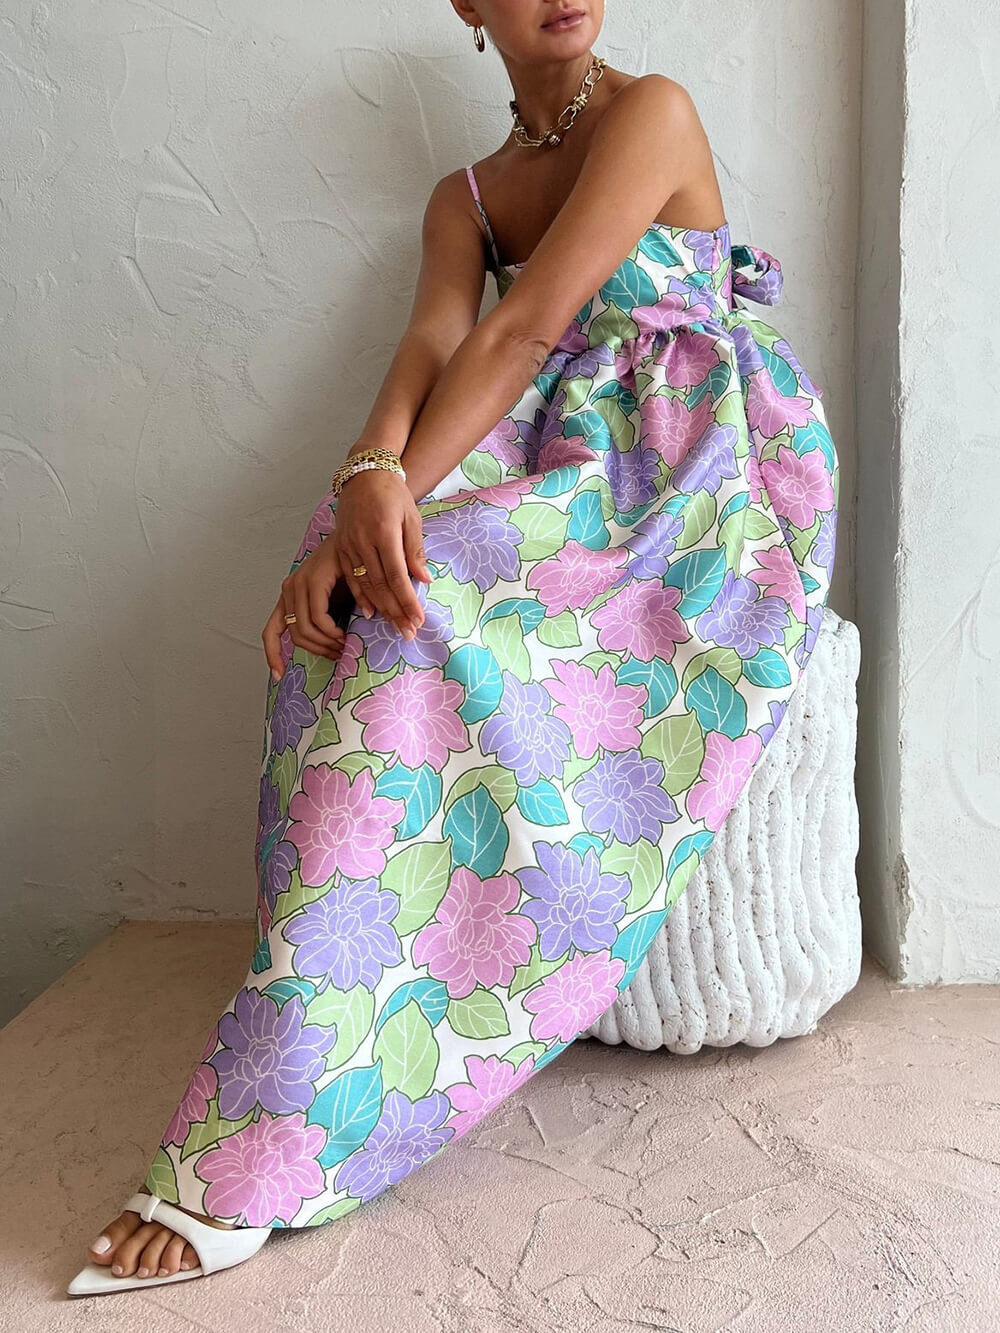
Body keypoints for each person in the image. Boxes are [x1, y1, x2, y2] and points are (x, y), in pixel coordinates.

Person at [68, 0, 839, 1298]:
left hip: (687, 450)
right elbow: (432, 342)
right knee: (345, 592)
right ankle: (324, 1022)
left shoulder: (653, 111)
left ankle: (274, 1126)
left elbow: (524, 326)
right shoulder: (465, 197)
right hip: (550, 432)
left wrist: (386, 500)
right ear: (467, 5)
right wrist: (362, 485)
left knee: (420, 589)